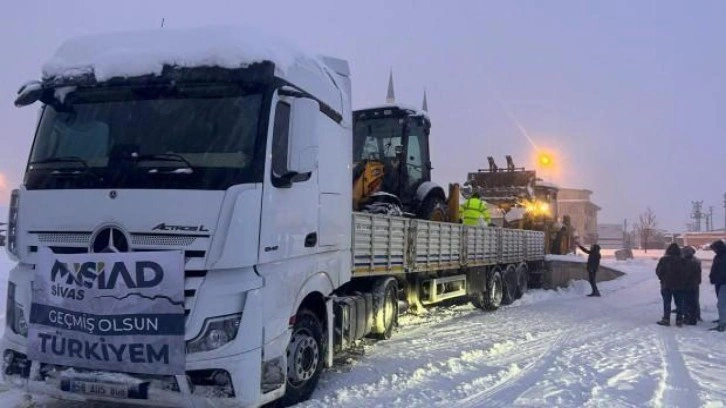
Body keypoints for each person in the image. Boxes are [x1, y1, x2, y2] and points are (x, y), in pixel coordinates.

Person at [656, 243, 687, 327]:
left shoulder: (664, 259)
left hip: (666, 284)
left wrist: (662, 278)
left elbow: (658, 271)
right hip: (680, 285)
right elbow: (686, 273)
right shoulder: (683, 260)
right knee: (679, 303)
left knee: (667, 302)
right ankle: (679, 320)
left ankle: (666, 319)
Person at [708, 240, 726, 331]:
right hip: (718, 282)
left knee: (722, 304)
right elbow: (714, 268)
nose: (714, 251)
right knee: (721, 302)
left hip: (724, 283)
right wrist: (712, 277)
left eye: (714, 249)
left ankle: (722, 324)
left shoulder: (723, 257)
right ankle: (722, 319)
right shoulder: (717, 256)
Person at [681, 246, 702, 325]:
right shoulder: (696, 261)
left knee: (686, 301)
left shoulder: (683, 262)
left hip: (685, 284)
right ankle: (695, 316)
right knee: (694, 301)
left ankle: (687, 317)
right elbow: (698, 274)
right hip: (695, 284)